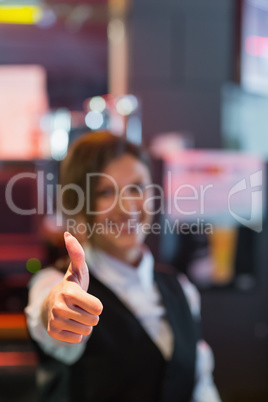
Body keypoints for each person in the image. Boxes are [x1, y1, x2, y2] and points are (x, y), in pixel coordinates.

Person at [25, 131, 221, 402]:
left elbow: (201, 386)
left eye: (137, 188)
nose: (127, 206)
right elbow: (46, 316)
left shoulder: (181, 288)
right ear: (81, 207)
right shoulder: (53, 282)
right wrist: (57, 310)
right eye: (106, 192)